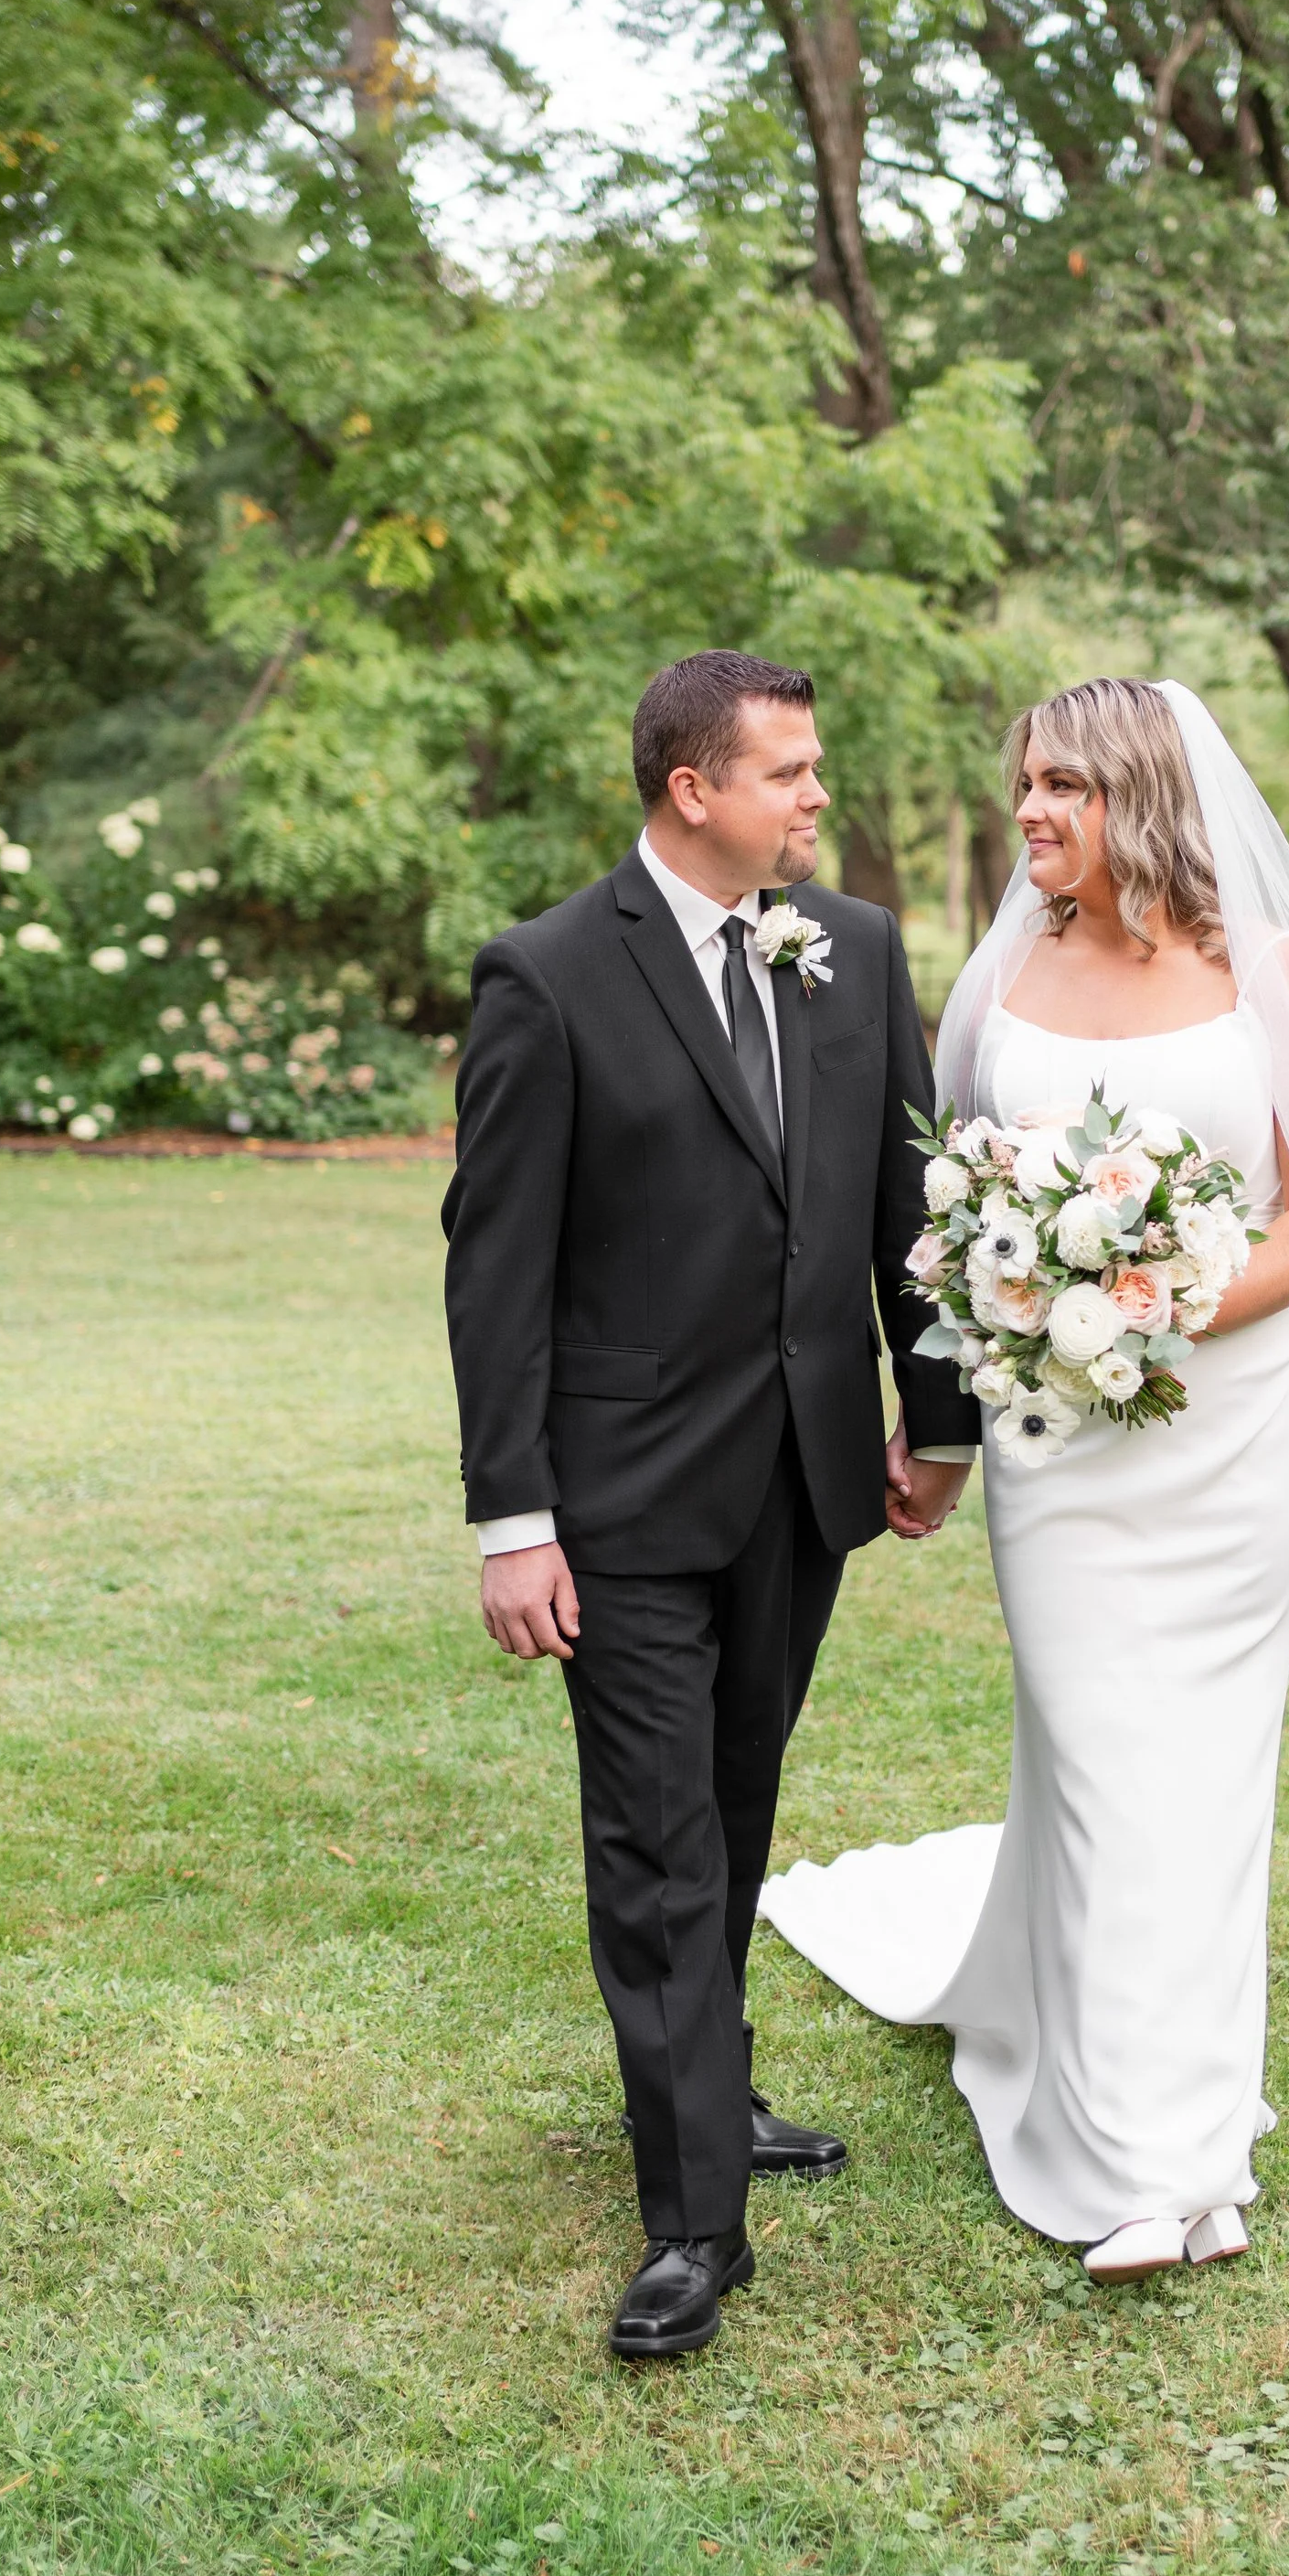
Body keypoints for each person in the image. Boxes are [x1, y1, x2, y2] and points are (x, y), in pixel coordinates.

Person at [760, 678, 1289, 2280]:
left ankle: (1170, 2153)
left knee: (1200, 1766)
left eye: (1064, 786)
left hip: (1228, 1420)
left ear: (1143, 795)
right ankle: (1139, 2157)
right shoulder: (1008, 976)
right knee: (1100, 1740)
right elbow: (953, 1198)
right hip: (1058, 1432)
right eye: (1027, 783)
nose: (1033, 810)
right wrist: (1021, 1335)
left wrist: (1156, 1299)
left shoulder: (1274, 972)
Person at [442, 650, 977, 2359]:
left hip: (803, 1479)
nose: (819, 797)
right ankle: (693, 2219)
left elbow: (908, 1204)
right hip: (617, 1497)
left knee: (734, 1809)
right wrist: (511, 1515)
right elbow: (496, 1266)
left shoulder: (856, 950)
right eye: (791, 773)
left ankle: (707, 2086)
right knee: (658, 1838)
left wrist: (938, 1418)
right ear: (694, 790)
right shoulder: (546, 977)